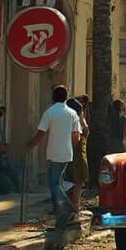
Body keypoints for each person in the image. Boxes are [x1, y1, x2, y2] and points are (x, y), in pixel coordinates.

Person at [26, 85, 82, 224]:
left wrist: (30, 145)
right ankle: (59, 210)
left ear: (53, 97)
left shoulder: (50, 112)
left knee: (54, 184)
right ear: (66, 97)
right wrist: (69, 147)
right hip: (67, 153)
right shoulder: (72, 113)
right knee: (57, 182)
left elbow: (41, 133)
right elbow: (76, 136)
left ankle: (67, 209)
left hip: (54, 152)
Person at [63, 97, 89, 212]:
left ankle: (72, 208)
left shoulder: (66, 118)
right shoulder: (78, 120)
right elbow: (86, 130)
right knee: (78, 182)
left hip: (68, 152)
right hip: (77, 152)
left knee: (69, 181)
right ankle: (75, 207)